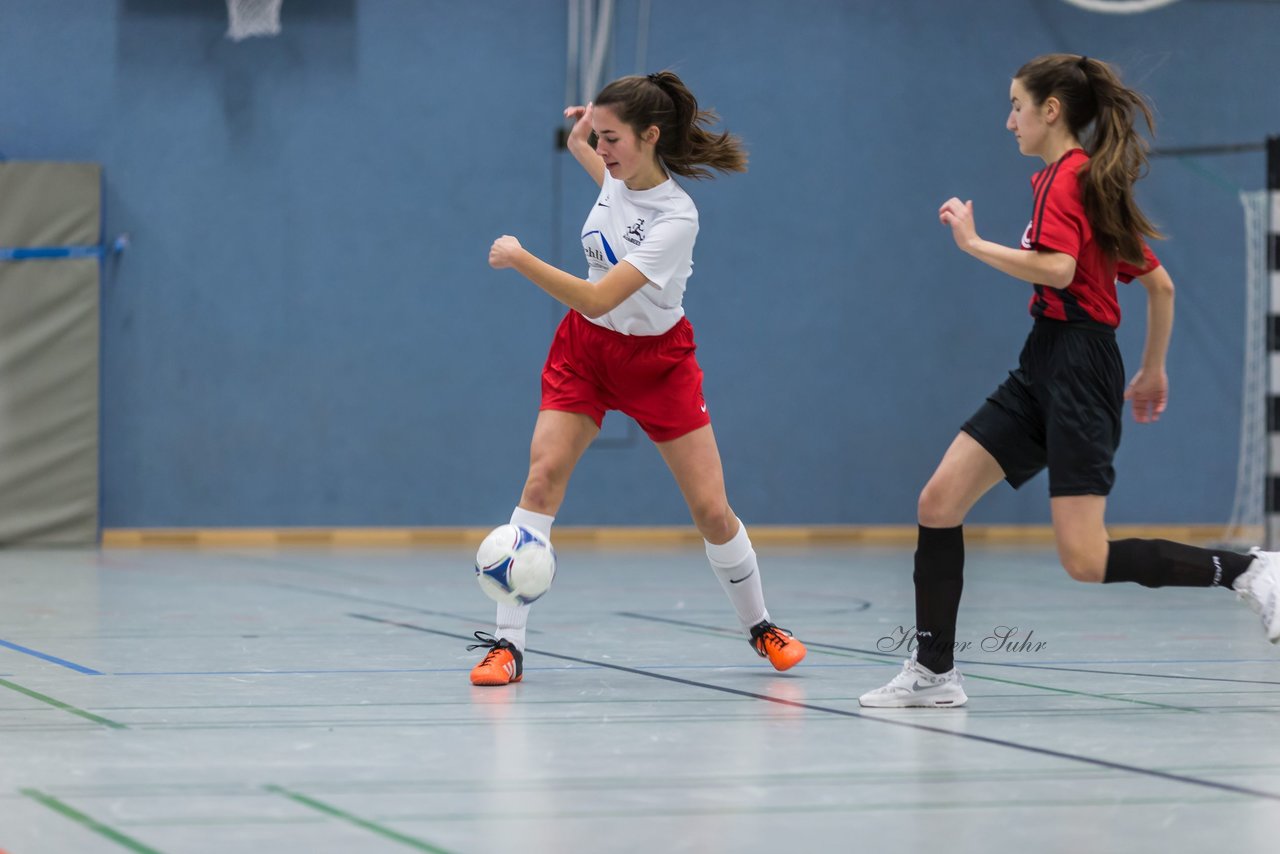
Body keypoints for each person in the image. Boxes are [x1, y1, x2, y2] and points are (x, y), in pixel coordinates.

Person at [859, 54, 1280, 709]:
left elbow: (1055, 270)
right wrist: (1151, 367)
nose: (1009, 121)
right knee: (938, 502)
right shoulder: (1073, 180)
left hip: (1079, 369)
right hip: (1045, 362)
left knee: (1086, 560)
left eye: (1016, 106)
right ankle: (934, 673)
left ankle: (1247, 569)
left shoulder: (1070, 181)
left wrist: (973, 244)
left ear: (1050, 109)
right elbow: (1160, 286)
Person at [469, 70, 807, 686]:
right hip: (586, 355)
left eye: (613, 139)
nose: (601, 151)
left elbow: (598, 298)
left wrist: (520, 259)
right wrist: (588, 125)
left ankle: (761, 625)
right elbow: (578, 148)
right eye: (599, 139)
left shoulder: (676, 218)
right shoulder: (612, 175)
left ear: (650, 137)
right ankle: (505, 646)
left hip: (659, 364)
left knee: (711, 510)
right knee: (541, 480)